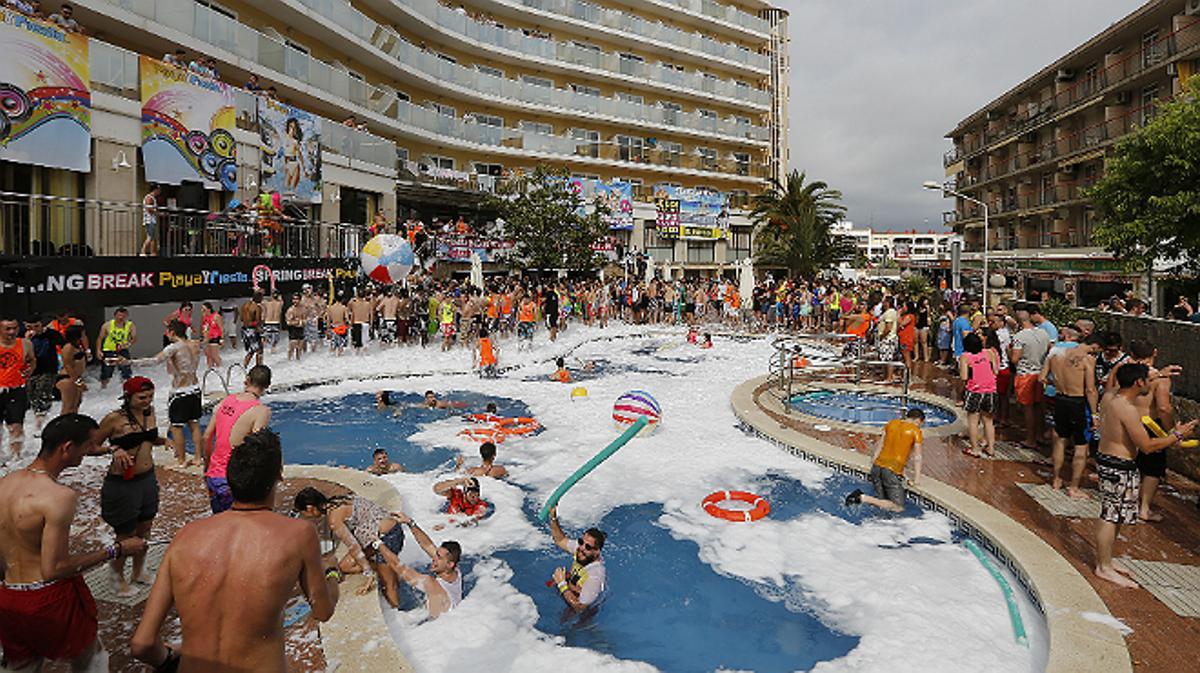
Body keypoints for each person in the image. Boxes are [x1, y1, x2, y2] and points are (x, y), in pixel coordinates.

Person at [131, 430, 341, 671]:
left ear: (230, 479)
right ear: (279, 476)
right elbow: (323, 611)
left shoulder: (186, 536)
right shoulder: (298, 534)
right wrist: (332, 573)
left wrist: (171, 658)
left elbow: (142, 644)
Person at [0, 414, 146, 673]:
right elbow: (54, 568)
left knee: (21, 666)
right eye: (88, 445)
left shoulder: (6, 483)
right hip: (48, 598)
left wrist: (110, 449)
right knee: (93, 661)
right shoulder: (59, 497)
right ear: (67, 448)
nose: (91, 451)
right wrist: (117, 549)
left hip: (9, 597)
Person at [1093, 364, 1197, 587]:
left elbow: (1129, 376)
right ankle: (1103, 566)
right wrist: (1178, 435)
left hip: (1107, 458)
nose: (1152, 384)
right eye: (1149, 380)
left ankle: (1108, 562)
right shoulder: (1127, 409)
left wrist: (1160, 374)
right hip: (1118, 465)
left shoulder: (1110, 395)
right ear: (1139, 383)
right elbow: (1147, 446)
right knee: (1110, 517)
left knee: (1115, 515)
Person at [96, 377, 167, 597]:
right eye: (142, 397)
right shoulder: (114, 420)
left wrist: (164, 441)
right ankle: (116, 578)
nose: (147, 401)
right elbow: (90, 446)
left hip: (147, 479)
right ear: (128, 397)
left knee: (145, 529)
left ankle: (139, 571)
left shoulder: (149, 413)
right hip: (123, 484)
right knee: (125, 535)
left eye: (150, 397)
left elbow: (147, 438)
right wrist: (113, 450)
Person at [293, 487, 405, 608]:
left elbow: (354, 547)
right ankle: (387, 570)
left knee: (387, 585)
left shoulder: (334, 519)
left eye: (303, 513)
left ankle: (399, 612)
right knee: (346, 566)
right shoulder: (339, 500)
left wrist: (368, 575)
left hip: (389, 537)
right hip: (385, 532)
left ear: (310, 508)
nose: (305, 516)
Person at [130, 320, 203, 466]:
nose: (166, 334)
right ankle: (198, 458)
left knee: (177, 426)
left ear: (173, 332)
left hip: (180, 392)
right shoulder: (194, 344)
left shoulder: (174, 347)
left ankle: (182, 460)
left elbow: (154, 361)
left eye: (168, 331)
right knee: (194, 424)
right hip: (195, 389)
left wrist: (129, 362)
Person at [202, 366, 272, 514]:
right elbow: (257, 447)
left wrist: (207, 468)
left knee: (219, 521)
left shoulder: (226, 400)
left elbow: (207, 436)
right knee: (238, 525)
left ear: (247, 380)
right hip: (234, 479)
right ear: (267, 386)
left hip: (214, 476)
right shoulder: (261, 411)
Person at [1121, 340, 1177, 523]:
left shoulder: (1125, 373)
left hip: (1127, 421)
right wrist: (1171, 431)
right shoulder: (1161, 379)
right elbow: (1163, 408)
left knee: (1129, 462)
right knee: (1152, 468)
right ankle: (1143, 508)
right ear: (1155, 352)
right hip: (1150, 425)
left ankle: (1125, 502)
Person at [1043, 334, 1101, 498]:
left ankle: (1056, 479)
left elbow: (1043, 378)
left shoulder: (1056, 354)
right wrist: (1095, 414)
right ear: (1095, 346)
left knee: (1060, 441)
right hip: (1078, 403)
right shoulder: (1087, 360)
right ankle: (1074, 488)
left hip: (1060, 400)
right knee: (1081, 446)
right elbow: (1090, 390)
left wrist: (1060, 383)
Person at [375, 511, 463, 618]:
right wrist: (410, 523)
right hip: (451, 617)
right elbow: (428, 545)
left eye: (438, 557)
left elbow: (401, 568)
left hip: (436, 627)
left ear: (450, 564)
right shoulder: (455, 571)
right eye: (436, 555)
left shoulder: (432, 584)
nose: (433, 558)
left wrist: (377, 543)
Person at [844, 408, 926, 512]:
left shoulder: (891, 424)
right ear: (918, 420)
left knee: (881, 502)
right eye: (921, 424)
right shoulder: (915, 431)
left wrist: (874, 460)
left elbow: (880, 444)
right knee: (898, 507)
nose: (920, 426)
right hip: (891, 471)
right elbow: (917, 457)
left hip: (877, 467)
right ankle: (862, 498)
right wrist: (917, 480)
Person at [547, 507, 607, 614]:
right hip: (572, 591)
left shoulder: (595, 575)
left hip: (586, 609)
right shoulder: (581, 550)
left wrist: (562, 584)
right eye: (581, 542)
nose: (582, 548)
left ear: (597, 552)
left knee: (574, 627)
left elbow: (580, 608)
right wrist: (553, 517)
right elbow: (560, 540)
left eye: (588, 547)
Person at [1010, 305, 1051, 450]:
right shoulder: (1043, 333)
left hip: (1025, 374)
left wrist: (1009, 351)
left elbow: (1015, 359)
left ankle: (1030, 439)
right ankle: (1040, 435)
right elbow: (1049, 351)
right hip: (1040, 374)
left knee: (1028, 408)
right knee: (1039, 406)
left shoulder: (1019, 336)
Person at [959, 333, 998, 458]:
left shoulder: (965, 357)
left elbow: (964, 377)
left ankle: (975, 449)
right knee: (988, 421)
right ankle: (991, 448)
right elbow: (996, 371)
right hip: (990, 390)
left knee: (973, 421)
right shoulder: (989, 353)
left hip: (975, 391)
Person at [0, 318, 33, 461]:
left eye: (14, 328)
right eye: (7, 329)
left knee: (16, 426)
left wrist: (30, 369)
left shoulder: (25, 344)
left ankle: (16, 458)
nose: (11, 332)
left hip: (17, 389)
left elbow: (32, 360)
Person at [23, 316, 62, 434]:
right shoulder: (22, 336)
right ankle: (38, 419)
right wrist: (26, 341)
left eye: (36, 326)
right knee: (31, 394)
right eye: (30, 327)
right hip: (32, 370)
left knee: (43, 392)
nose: (34, 329)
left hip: (48, 369)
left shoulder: (51, 334)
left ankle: (41, 423)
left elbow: (64, 344)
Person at [98, 307, 137, 390]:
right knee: (107, 370)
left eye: (123, 316)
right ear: (115, 315)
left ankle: (126, 386)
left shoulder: (130, 325)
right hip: (109, 350)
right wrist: (98, 350)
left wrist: (128, 344)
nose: (121, 318)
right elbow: (100, 338)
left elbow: (134, 338)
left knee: (126, 368)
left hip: (122, 349)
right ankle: (103, 387)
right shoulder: (107, 325)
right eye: (119, 315)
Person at [56, 324, 88, 415]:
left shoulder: (77, 346)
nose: (84, 336)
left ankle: (72, 425)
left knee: (76, 404)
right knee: (68, 407)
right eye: (83, 334)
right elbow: (68, 365)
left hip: (75, 377)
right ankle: (62, 427)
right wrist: (77, 381)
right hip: (68, 378)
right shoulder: (68, 347)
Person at [241, 291, 265, 368]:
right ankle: (259, 367)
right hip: (252, 330)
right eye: (261, 298)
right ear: (258, 298)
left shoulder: (245, 305)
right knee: (259, 350)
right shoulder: (257, 308)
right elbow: (257, 322)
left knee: (250, 350)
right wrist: (261, 330)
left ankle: (244, 366)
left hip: (244, 330)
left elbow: (241, 318)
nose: (262, 299)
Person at [199, 302, 222, 370]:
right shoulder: (204, 317)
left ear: (209, 309)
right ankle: (210, 371)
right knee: (208, 356)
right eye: (201, 309)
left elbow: (221, 328)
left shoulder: (216, 316)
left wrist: (221, 339)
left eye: (204, 309)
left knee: (215, 356)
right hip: (206, 338)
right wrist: (201, 337)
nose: (202, 310)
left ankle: (220, 369)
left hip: (215, 338)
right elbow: (202, 327)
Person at [141, 185, 159, 257]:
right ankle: (143, 251)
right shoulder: (149, 197)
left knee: (152, 237)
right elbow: (149, 209)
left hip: (151, 220)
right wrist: (157, 212)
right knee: (150, 236)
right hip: (149, 220)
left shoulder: (152, 198)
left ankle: (152, 252)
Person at [286, 293, 305, 361]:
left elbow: (305, 319)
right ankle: (288, 361)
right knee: (291, 348)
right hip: (293, 330)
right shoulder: (290, 310)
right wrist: (297, 322)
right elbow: (288, 322)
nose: (295, 300)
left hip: (301, 329)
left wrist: (302, 322)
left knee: (299, 349)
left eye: (296, 299)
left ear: (300, 300)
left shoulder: (303, 309)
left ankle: (298, 364)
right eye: (294, 299)